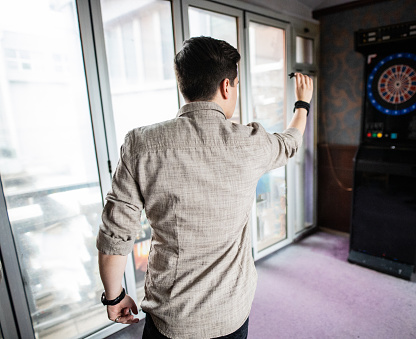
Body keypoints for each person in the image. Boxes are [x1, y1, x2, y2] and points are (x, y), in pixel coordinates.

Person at [96, 36, 313, 339]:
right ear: (227, 86)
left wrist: (115, 297)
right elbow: (290, 143)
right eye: (236, 84)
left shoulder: (140, 144)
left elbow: (114, 236)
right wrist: (302, 104)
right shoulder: (250, 143)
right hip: (230, 313)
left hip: (170, 317)